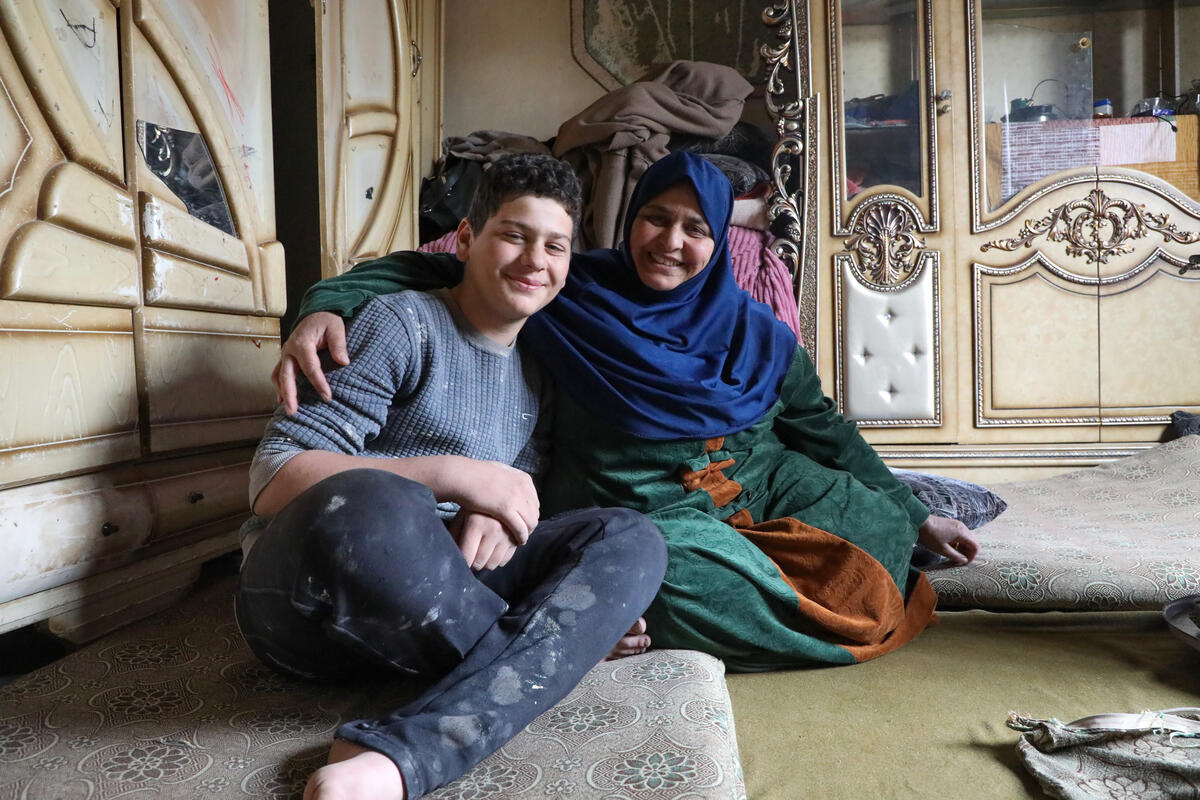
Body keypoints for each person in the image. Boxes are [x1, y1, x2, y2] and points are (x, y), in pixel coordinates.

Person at [274, 151, 979, 674]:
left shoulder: (758, 331)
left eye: (695, 228)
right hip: (651, 515)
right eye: (655, 218)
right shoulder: (563, 287)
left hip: (762, 484)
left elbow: (825, 429)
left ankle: (804, 578)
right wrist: (322, 307)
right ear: (629, 219)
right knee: (662, 578)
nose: (671, 242)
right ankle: (696, 610)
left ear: (719, 245)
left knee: (877, 524)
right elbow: (422, 268)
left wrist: (915, 513)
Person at [236, 153, 667, 800]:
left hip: (441, 594)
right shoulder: (398, 322)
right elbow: (273, 476)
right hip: (312, 601)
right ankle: (543, 650)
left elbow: (514, 492)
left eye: (555, 246)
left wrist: (489, 512)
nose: (535, 261)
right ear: (466, 239)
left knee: (632, 539)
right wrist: (454, 477)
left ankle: (395, 759)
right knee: (375, 502)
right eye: (514, 236)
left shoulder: (541, 371)